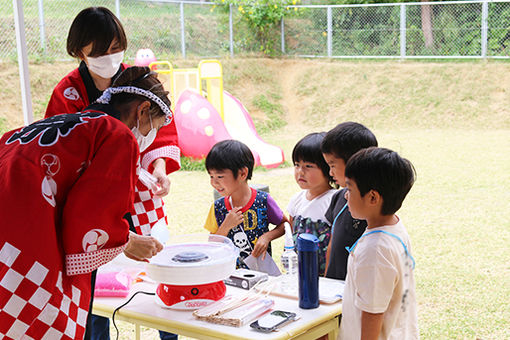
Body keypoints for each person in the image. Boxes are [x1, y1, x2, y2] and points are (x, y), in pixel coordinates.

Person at [0, 66, 169, 339]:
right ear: (143, 110)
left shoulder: (68, 123)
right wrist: (127, 241)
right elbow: (90, 217)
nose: (148, 136)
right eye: (155, 126)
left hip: (8, 234)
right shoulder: (116, 134)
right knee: (42, 322)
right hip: (27, 242)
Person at [44, 8, 180, 340]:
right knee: (96, 292)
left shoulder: (136, 80)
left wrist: (159, 167)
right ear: (80, 51)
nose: (110, 56)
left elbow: (159, 128)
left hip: (139, 197)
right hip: (91, 201)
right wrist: (122, 239)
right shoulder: (69, 93)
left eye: (116, 47)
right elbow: (64, 163)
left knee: (161, 274)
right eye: (100, 51)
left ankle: (170, 333)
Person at [339, 147, 418, 340]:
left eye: (349, 189)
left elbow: (372, 314)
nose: (345, 195)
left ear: (372, 197)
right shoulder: (394, 227)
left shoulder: (375, 250)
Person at [203, 140, 286, 268]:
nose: (214, 182)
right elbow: (213, 245)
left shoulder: (263, 201)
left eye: (219, 176)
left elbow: (285, 224)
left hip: (261, 276)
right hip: (229, 276)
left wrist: (267, 237)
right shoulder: (217, 208)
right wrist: (226, 226)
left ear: (242, 173)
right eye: (211, 176)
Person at [321, 122, 378, 280]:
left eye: (332, 165)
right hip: (335, 289)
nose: (330, 172)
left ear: (355, 161)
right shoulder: (338, 197)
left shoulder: (373, 203)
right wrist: (327, 281)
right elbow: (332, 245)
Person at [287, 132, 336, 276]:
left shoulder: (334, 201)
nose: (300, 172)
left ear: (327, 168)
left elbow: (334, 249)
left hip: (323, 277)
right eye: (297, 165)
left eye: (308, 166)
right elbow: (290, 237)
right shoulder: (296, 200)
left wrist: (328, 278)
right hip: (299, 275)